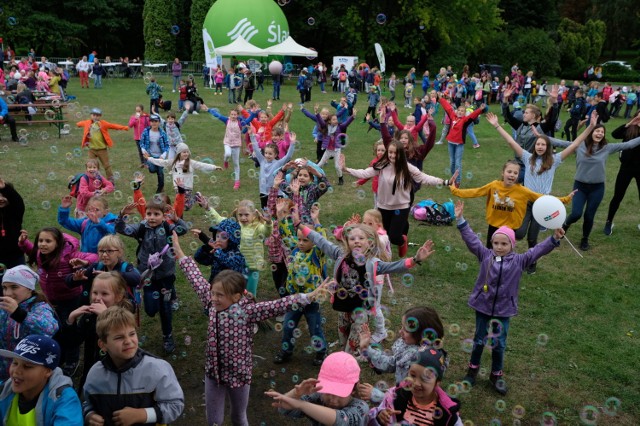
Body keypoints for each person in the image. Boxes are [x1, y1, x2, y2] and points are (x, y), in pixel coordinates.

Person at [175, 235, 326, 426]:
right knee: (213, 421)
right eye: (212, 293)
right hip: (213, 373)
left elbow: (278, 305)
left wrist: (310, 296)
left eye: (219, 295)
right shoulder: (212, 303)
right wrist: (180, 252)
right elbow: (195, 278)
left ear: (237, 296)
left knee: (238, 417)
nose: (213, 298)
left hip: (239, 374)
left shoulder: (247, 311)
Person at [454, 200, 565, 394]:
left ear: (512, 245)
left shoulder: (520, 261)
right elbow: (471, 240)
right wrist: (461, 220)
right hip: (483, 306)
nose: (499, 247)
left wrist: (553, 239)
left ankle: (496, 375)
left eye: (504, 243)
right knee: (479, 340)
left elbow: (537, 250)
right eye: (496, 243)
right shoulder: (485, 255)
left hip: (504, 310)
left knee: (499, 344)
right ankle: (472, 371)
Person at [300, 220, 435, 354]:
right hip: (343, 307)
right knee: (343, 338)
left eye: (361, 238)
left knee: (352, 346)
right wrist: (299, 225)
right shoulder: (340, 255)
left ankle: (347, 362)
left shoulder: (373, 263)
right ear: (347, 242)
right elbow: (321, 241)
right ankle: (344, 356)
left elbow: (394, 266)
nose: (356, 241)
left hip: (362, 311)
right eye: (352, 238)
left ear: (369, 242)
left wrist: (415, 259)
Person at [487, 111, 595, 273]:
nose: (540, 147)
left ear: (548, 147)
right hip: (526, 202)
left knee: (532, 237)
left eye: (543, 144)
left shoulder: (555, 160)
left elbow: (574, 145)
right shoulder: (526, 157)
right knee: (520, 233)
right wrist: (497, 125)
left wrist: (591, 127)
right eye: (537, 144)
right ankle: (505, 255)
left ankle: (532, 263)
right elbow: (510, 141)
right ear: (534, 146)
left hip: (543, 205)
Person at [341, 141, 454, 256]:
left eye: (396, 153)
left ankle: (402, 241)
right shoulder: (382, 165)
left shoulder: (407, 167)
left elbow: (424, 178)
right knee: (385, 235)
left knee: (394, 237)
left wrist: (446, 182)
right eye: (390, 152)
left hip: (401, 206)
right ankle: (402, 227)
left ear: (401, 154)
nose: (392, 155)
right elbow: (365, 173)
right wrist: (346, 169)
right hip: (383, 206)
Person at [83, 307, 184, 425]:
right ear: (103, 345)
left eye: (132, 334)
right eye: (119, 337)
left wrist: (142, 415)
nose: (128, 341)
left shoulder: (157, 369)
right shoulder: (95, 374)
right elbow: (87, 403)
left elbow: (176, 405)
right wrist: (89, 415)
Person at [18, 228, 98, 376]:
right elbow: (31, 251)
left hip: (70, 299)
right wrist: (24, 244)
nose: (43, 244)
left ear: (58, 243)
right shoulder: (40, 254)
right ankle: (57, 354)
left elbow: (94, 257)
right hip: (49, 300)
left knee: (68, 329)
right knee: (54, 329)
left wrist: (84, 261)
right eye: (41, 241)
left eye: (48, 241)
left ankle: (72, 359)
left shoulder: (69, 255)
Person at [550, 122, 640, 250]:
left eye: (602, 132)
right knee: (576, 213)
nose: (599, 134)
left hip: (597, 188)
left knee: (589, 215)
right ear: (591, 132)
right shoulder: (579, 146)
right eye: (597, 131)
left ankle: (585, 239)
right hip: (580, 186)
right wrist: (539, 136)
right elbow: (560, 143)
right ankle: (565, 225)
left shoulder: (607, 147)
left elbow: (629, 144)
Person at [115, 199, 188, 353]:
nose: (152, 217)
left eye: (156, 214)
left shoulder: (168, 227)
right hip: (147, 275)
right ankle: (157, 305)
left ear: (164, 215)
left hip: (166, 274)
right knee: (150, 309)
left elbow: (183, 230)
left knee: (165, 307)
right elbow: (121, 229)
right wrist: (121, 216)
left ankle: (167, 335)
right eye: (149, 213)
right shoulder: (141, 228)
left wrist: (176, 219)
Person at [449, 160, 574, 248]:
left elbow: (542, 198)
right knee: (489, 251)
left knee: (505, 252)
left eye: (515, 173)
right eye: (509, 171)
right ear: (503, 173)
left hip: (510, 229)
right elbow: (475, 192)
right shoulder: (493, 186)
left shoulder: (522, 191)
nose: (512, 175)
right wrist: (455, 190)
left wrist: (564, 199)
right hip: (494, 225)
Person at [273, 201, 328, 366]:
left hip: (312, 299)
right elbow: (286, 234)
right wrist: (280, 215)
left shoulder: (317, 253)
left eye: (306, 240)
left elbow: (323, 240)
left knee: (314, 327)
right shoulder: (295, 250)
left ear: (313, 241)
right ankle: (286, 350)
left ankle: (321, 351)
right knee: (288, 327)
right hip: (295, 298)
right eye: (300, 240)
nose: (301, 243)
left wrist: (316, 221)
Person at [66, 272, 134, 389]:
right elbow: (73, 342)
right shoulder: (90, 317)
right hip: (91, 370)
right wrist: (71, 320)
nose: (97, 298)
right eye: (95, 292)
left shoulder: (124, 317)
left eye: (104, 294)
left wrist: (106, 315)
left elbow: (125, 343)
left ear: (118, 296)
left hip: (116, 374)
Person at [265, 352, 369, 424]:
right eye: (328, 391)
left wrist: (302, 404)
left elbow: (342, 421)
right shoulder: (318, 397)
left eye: (339, 393)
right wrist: (296, 394)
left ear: (354, 389)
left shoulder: (361, 408)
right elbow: (285, 409)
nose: (332, 399)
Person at [0, 335, 83, 425]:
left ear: (47, 371)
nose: (16, 371)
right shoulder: (3, 390)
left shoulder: (64, 399)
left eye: (27, 366)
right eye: (15, 363)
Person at [368, 347, 461, 425]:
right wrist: (380, 417)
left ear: (437, 383)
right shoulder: (395, 396)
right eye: (413, 375)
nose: (416, 383)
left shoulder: (447, 412)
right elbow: (374, 415)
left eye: (425, 378)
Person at [0, 265, 59, 381]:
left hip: (28, 370)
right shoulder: (3, 308)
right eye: (4, 287)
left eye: (14, 287)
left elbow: (50, 328)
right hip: (3, 368)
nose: (7, 293)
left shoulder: (40, 307)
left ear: (29, 288)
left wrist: (19, 313)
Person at [204, 200, 272, 297]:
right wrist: (207, 207)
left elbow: (266, 232)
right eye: (240, 215)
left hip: (252, 266)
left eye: (246, 215)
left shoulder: (258, 227)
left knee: (250, 294)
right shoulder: (234, 226)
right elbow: (219, 219)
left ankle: (250, 309)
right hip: (237, 265)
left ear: (254, 214)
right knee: (236, 291)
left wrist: (268, 223)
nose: (243, 218)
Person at [65, 234, 140, 308]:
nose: (104, 255)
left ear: (119, 252)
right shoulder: (97, 267)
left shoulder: (125, 267)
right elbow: (68, 281)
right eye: (101, 251)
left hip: (120, 309)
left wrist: (111, 275)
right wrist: (75, 279)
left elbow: (136, 278)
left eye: (109, 251)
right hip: (99, 306)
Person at [146, 142, 221, 211]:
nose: (186, 154)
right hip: (177, 188)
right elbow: (162, 162)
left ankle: (197, 196)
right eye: (184, 152)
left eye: (187, 152)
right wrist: (149, 159)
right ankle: (179, 217)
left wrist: (214, 167)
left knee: (186, 207)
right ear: (179, 153)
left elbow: (202, 165)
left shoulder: (190, 163)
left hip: (186, 188)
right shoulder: (174, 162)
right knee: (180, 205)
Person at [437, 92, 486, 185]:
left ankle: (458, 181)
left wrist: (480, 109)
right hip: (450, 143)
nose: (460, 112)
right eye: (459, 110)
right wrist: (440, 98)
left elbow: (472, 116)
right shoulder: (452, 116)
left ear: (465, 113)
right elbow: (448, 107)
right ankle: (453, 179)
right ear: (456, 111)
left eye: (462, 111)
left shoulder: (465, 120)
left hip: (459, 144)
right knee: (452, 163)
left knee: (457, 163)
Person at [604, 112, 640, 234]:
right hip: (626, 168)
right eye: (638, 116)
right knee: (618, 196)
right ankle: (609, 222)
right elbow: (614, 134)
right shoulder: (630, 129)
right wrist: (629, 124)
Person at [206, 106, 256, 190]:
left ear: (237, 115)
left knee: (236, 164)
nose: (233, 116)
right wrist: (208, 109)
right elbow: (217, 115)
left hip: (236, 145)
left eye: (235, 114)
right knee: (228, 154)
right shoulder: (226, 120)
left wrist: (253, 113)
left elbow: (249, 119)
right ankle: (225, 161)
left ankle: (237, 182)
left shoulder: (241, 122)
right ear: (229, 114)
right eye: (232, 114)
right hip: (227, 143)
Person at [76, 108, 129, 182]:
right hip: (92, 150)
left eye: (97, 115)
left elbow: (113, 126)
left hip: (102, 149)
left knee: (107, 166)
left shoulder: (103, 124)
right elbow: (79, 123)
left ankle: (111, 182)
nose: (95, 117)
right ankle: (91, 181)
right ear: (91, 115)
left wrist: (124, 128)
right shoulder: (87, 123)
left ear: (100, 116)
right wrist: (78, 124)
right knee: (91, 166)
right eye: (94, 115)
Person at [140, 113, 170, 194]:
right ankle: (159, 170)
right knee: (152, 170)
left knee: (160, 172)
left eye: (156, 121)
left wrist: (163, 155)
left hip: (160, 156)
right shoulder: (146, 132)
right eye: (152, 121)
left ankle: (160, 188)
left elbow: (167, 145)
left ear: (159, 122)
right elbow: (141, 143)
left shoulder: (162, 133)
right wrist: (144, 151)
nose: (154, 123)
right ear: (150, 122)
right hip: (150, 156)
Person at [0, 178, 26, 268]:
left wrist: (4, 188)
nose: (1, 199)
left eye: (4, 196)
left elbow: (17, 201)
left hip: (15, 255)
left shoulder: (15, 211)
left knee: (17, 281)